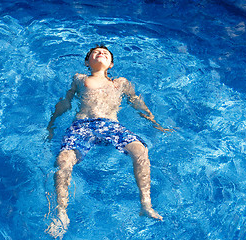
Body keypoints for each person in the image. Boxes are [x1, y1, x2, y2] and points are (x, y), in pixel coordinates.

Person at [46, 45, 173, 238]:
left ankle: (146, 204)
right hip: (82, 125)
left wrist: (154, 121)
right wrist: (51, 124)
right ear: (87, 62)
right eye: (95, 52)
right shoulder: (80, 78)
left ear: (111, 64)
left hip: (111, 125)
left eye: (106, 53)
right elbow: (66, 101)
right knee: (63, 160)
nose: (101, 53)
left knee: (140, 151)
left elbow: (136, 101)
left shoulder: (120, 83)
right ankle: (61, 212)